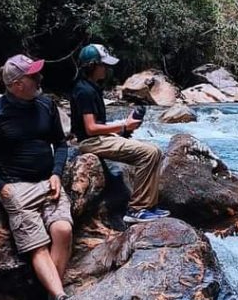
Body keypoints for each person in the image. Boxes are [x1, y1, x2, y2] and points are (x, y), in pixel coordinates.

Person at [0, 54, 72, 300]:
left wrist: (57, 172)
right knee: (38, 245)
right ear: (17, 84)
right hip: (16, 187)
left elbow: (60, 143)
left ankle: (52, 296)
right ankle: (60, 298)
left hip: (48, 182)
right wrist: (0, 187)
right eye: (33, 76)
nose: (40, 79)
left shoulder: (46, 105)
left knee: (63, 230)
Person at [70, 44, 169, 223]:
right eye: (103, 65)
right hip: (91, 141)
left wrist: (123, 128)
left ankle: (149, 205)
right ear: (92, 66)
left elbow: (98, 124)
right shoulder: (84, 91)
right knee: (150, 152)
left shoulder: (91, 87)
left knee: (156, 151)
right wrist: (123, 124)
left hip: (98, 138)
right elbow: (90, 128)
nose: (107, 69)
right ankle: (137, 210)